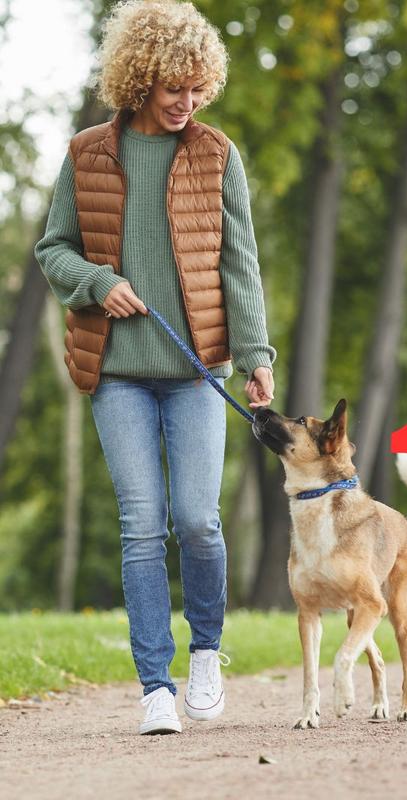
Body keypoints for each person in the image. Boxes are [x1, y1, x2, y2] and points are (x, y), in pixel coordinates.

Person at [35, 0, 275, 735]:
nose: (188, 103)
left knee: (199, 520)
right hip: (117, 372)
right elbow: (53, 249)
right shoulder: (87, 155)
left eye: (199, 89)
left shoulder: (217, 154)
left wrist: (257, 355)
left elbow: (240, 265)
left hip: (199, 368)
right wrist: (97, 283)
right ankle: (154, 688)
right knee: (142, 525)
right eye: (176, 88)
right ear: (140, 78)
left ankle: (206, 652)